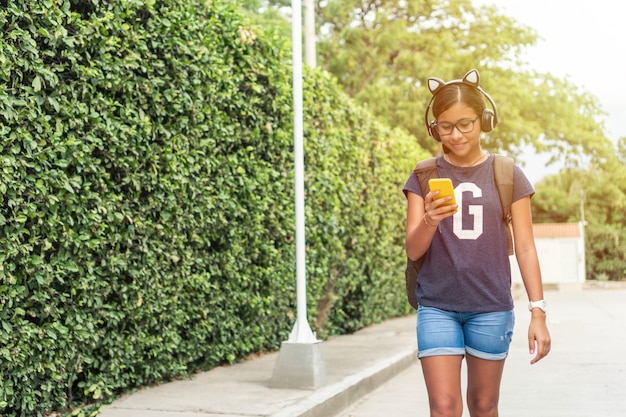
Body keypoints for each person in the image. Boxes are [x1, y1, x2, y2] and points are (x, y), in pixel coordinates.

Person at [403, 69, 551, 417]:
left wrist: (538, 312)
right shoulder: (424, 175)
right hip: (437, 307)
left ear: (485, 120)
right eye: (445, 126)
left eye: (465, 124)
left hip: (491, 308)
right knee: (443, 408)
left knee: (484, 406)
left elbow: (527, 248)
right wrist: (430, 219)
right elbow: (413, 249)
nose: (455, 135)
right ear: (433, 126)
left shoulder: (507, 173)